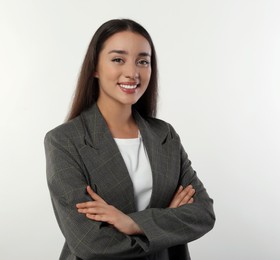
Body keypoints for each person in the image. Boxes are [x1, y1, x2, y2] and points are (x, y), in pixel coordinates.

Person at [44, 18, 215, 260]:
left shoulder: (164, 135)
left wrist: (132, 223)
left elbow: (203, 213)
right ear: (95, 67)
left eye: (143, 61)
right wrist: (166, 222)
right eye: (118, 59)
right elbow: (90, 243)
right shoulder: (64, 141)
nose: (132, 72)